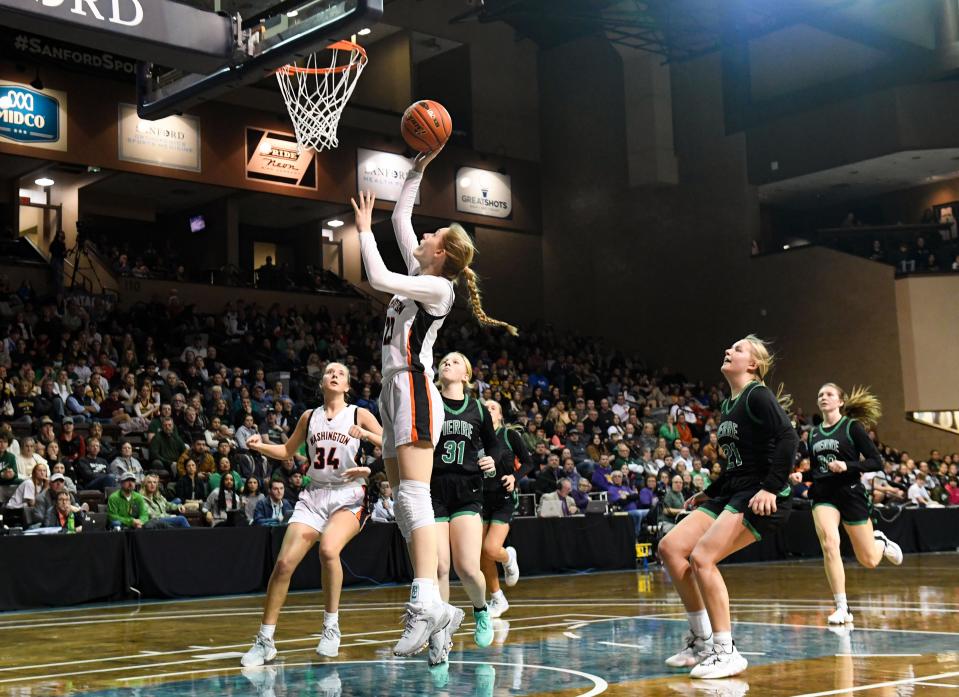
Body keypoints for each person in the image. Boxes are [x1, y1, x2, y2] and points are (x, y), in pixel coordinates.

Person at [350, 147, 518, 659]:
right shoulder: (423, 272)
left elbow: (376, 279)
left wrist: (361, 228)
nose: (422, 236)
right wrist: (418, 168)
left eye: (431, 237)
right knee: (402, 501)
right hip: (391, 387)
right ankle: (433, 613)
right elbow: (401, 216)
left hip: (415, 388)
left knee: (413, 496)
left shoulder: (437, 289)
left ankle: (430, 604)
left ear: (442, 253)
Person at [658, 336, 799, 679]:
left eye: (737, 349)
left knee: (702, 557)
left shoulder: (758, 394)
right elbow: (736, 465)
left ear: (752, 364)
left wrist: (769, 486)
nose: (728, 351)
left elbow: (788, 439)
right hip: (734, 489)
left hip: (761, 495)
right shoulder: (727, 405)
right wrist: (709, 492)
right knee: (671, 548)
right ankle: (702, 641)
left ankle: (726, 650)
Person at [241, 362, 383, 666]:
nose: (334, 375)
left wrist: (368, 449)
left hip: (349, 495)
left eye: (341, 373)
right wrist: (260, 445)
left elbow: (390, 444)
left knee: (329, 550)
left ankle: (331, 628)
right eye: (329, 372)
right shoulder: (309, 417)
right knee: (283, 565)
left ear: (347, 386)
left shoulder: (359, 414)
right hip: (314, 495)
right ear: (322, 382)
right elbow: (287, 451)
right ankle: (265, 640)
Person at [428, 352, 506, 665]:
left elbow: (496, 445)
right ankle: (441, 633)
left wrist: (492, 460)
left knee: (467, 567)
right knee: (439, 567)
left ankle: (480, 609)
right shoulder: (431, 401)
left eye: (455, 361)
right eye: (444, 361)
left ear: (466, 374)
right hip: (434, 487)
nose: (447, 363)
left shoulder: (477, 408)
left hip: (467, 489)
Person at [803, 383, 902, 626]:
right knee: (829, 542)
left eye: (828, 394)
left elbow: (876, 461)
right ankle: (841, 607)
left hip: (850, 492)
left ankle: (880, 541)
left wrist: (848, 465)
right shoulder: (813, 434)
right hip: (823, 494)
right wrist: (802, 477)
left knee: (869, 560)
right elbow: (817, 470)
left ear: (840, 401)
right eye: (820, 395)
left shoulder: (851, 427)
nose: (823, 397)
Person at [481, 399, 532, 620]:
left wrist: (514, 477)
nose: (488, 410)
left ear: (500, 415)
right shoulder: (476, 437)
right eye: (485, 408)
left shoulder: (510, 436)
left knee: (491, 549)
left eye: (493, 407)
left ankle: (508, 557)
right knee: (481, 554)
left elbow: (529, 462)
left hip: (504, 497)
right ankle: (497, 598)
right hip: (480, 498)